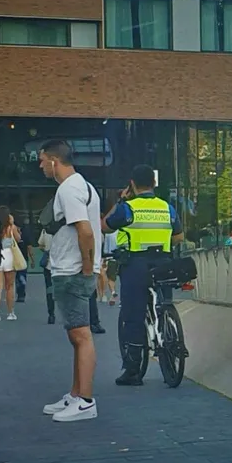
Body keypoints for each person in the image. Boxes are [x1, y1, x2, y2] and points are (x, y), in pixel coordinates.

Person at [102, 164, 184, 386]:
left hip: (135, 265)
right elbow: (178, 236)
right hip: (164, 263)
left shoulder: (128, 208)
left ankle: (133, 371)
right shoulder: (167, 207)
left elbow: (105, 227)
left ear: (132, 184)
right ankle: (168, 330)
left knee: (133, 316)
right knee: (163, 302)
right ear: (154, 184)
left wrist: (120, 200)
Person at [38, 139, 102, 422]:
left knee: (81, 335)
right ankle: (76, 395)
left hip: (72, 270)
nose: (40, 166)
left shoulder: (69, 189)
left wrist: (86, 268)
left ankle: (85, 401)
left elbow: (85, 231)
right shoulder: (82, 186)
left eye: (42, 161)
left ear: (54, 161)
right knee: (77, 336)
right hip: (73, 269)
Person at [0, 207, 20, 322]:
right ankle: (10, 312)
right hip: (9, 255)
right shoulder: (11, 227)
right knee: (10, 286)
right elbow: (18, 239)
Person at [37, 228, 56, 324]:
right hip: (63, 264)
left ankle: (51, 314)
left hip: (49, 264)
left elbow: (40, 245)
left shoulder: (45, 230)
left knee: (49, 290)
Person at [15, 216, 35, 303]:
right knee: (20, 277)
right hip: (20, 259)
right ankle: (20, 294)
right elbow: (29, 247)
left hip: (18, 259)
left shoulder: (14, 233)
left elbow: (29, 247)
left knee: (19, 277)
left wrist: (32, 259)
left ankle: (20, 294)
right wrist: (32, 260)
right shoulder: (24, 234)